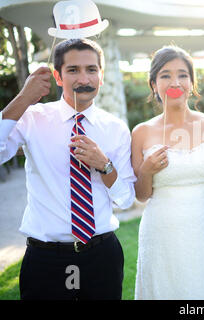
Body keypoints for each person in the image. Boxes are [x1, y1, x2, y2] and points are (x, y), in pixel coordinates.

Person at [0, 38, 136, 300]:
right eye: (73, 70)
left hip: (101, 256)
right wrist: (24, 98)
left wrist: (104, 165)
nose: (83, 77)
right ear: (58, 76)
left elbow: (126, 199)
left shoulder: (115, 128)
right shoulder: (33, 117)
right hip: (45, 259)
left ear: (101, 75)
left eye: (91, 69)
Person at [132, 45, 204, 300]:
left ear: (192, 82)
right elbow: (141, 195)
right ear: (153, 84)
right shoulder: (141, 132)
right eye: (165, 75)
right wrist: (146, 170)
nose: (175, 82)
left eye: (182, 74)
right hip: (162, 233)